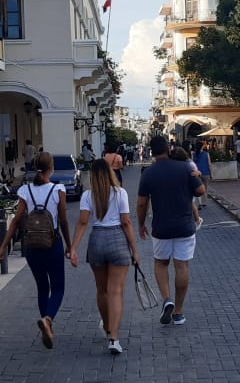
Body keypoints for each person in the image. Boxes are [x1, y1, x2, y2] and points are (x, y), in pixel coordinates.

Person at [0, 152, 71, 349]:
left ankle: (47, 328)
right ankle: (48, 319)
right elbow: (63, 220)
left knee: (42, 288)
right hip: (52, 244)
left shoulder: (26, 190)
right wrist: (69, 245)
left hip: (32, 247)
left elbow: (16, 220)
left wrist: (3, 247)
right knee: (58, 288)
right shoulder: (57, 189)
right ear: (51, 168)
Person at [69, 159, 140, 354]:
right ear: (110, 173)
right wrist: (134, 250)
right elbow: (126, 222)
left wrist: (73, 248)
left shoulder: (87, 195)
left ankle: (107, 327)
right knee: (116, 291)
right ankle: (114, 339)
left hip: (97, 239)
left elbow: (83, 221)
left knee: (102, 290)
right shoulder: (120, 193)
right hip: (117, 239)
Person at [137, 136, 204, 326]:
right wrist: (196, 176)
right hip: (185, 226)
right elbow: (200, 191)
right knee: (181, 266)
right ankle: (179, 312)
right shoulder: (185, 168)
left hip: (161, 228)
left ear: (151, 152)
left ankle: (167, 299)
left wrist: (141, 224)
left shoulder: (148, 173)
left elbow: (141, 203)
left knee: (161, 263)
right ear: (168, 148)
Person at [193, 144, 212, 209]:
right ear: (202, 147)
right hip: (206, 173)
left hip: (197, 173)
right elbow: (209, 164)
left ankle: (200, 203)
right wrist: (211, 173)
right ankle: (204, 202)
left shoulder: (194, 154)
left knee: (198, 188)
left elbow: (193, 164)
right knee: (205, 188)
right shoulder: (206, 154)